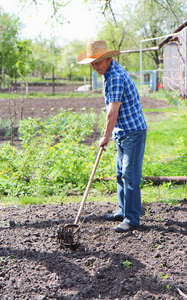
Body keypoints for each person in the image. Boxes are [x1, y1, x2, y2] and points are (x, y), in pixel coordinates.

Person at [77, 40, 147, 233]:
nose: (95, 67)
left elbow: (112, 113)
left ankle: (132, 218)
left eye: (97, 63)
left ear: (108, 59)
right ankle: (123, 210)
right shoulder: (108, 73)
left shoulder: (115, 76)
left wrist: (105, 136)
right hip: (123, 131)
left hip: (132, 131)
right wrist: (112, 134)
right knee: (120, 173)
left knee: (130, 175)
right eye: (92, 64)